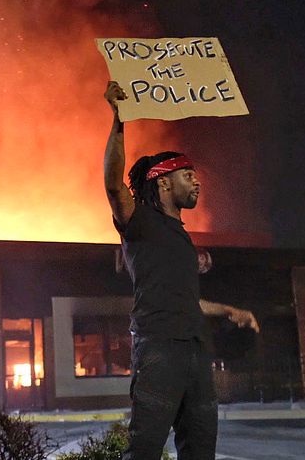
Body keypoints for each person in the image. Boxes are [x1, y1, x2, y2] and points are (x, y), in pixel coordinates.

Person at [103, 80, 259, 460]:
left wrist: (228, 310)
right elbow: (112, 184)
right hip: (157, 348)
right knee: (145, 449)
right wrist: (119, 119)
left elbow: (185, 300)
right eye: (187, 175)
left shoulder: (182, 238)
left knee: (201, 449)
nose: (197, 181)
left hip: (195, 350)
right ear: (162, 181)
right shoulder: (139, 222)